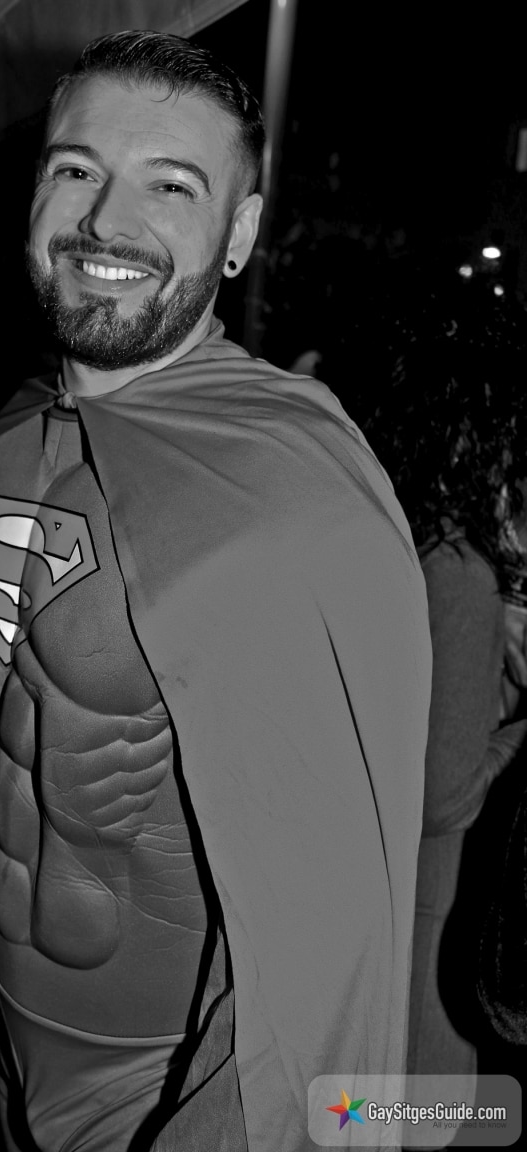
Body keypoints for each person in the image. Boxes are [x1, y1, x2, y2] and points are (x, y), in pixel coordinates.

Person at [0, 31, 432, 1152]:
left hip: (161, 1078)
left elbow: (325, 925)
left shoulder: (287, 493)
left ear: (239, 234)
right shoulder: (3, 436)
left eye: (171, 186)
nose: (107, 221)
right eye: (77, 168)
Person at [337, 285, 527, 1081]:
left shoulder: (382, 519)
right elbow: (446, 795)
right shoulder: (459, 565)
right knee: (441, 1120)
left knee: (356, 1111)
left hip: (365, 897)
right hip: (436, 910)